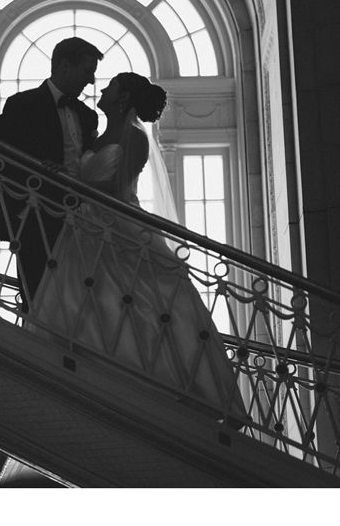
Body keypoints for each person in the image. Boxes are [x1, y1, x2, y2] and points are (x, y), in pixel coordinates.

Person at [25, 72, 247, 422]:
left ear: (124, 97)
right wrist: (67, 176)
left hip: (118, 224)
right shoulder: (96, 135)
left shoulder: (135, 139)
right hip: (84, 226)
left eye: (112, 86)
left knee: (138, 299)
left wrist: (69, 181)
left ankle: (155, 383)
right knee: (89, 299)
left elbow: (115, 185)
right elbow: (86, 175)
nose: (104, 89)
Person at [0, 36, 103, 310]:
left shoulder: (88, 115)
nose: (91, 81)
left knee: (78, 303)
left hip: (80, 223)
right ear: (65, 65)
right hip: (33, 219)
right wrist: (26, 197)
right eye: (87, 71)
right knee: (37, 300)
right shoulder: (22, 105)